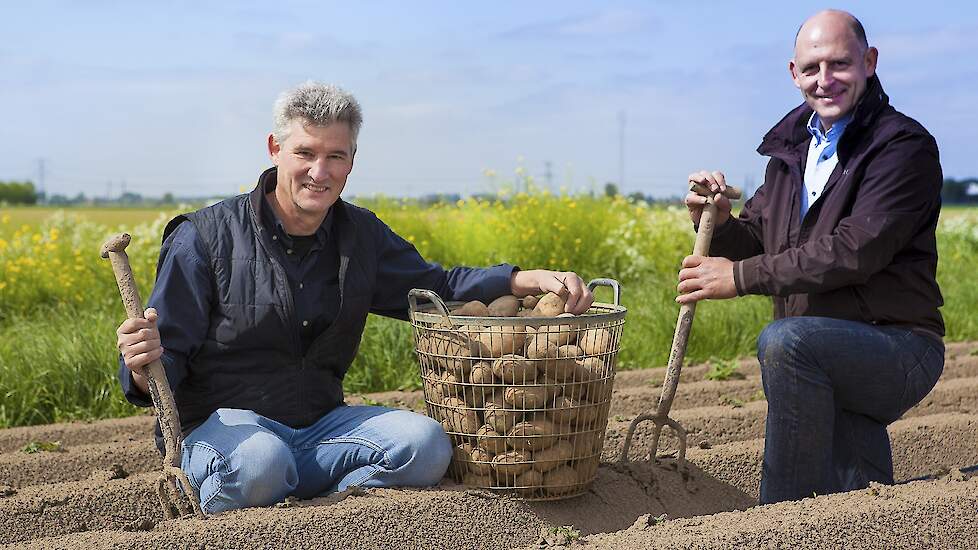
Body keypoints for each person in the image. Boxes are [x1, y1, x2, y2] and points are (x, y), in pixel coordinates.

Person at [115, 81, 594, 514]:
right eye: (304, 153)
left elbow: (438, 288)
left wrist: (521, 279)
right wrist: (139, 368)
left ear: (352, 160)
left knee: (426, 445)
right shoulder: (205, 238)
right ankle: (253, 493)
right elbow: (161, 360)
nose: (318, 172)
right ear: (274, 148)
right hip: (224, 432)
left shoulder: (361, 236)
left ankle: (332, 515)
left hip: (321, 428)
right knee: (262, 462)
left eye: (335, 156)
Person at [680, 10, 944, 504]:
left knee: (789, 343)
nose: (824, 81)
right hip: (827, 346)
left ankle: (778, 521)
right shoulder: (791, 154)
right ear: (793, 73)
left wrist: (738, 277)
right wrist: (715, 222)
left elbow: (854, 251)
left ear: (869, 62)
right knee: (857, 499)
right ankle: (868, 520)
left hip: (898, 347)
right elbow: (759, 237)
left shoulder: (901, 148)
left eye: (840, 64)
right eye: (811, 68)